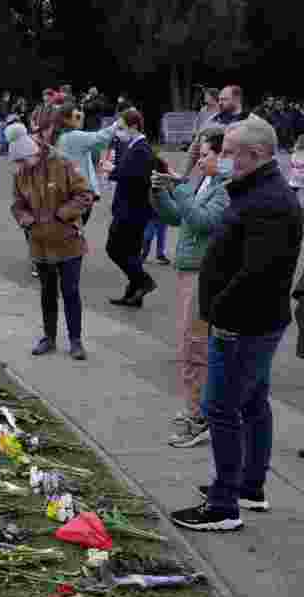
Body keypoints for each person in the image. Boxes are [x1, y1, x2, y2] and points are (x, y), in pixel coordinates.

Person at [171, 116, 304, 532]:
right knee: (251, 403)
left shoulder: (268, 201)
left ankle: (224, 505)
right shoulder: (259, 192)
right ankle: (249, 486)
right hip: (252, 321)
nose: (222, 159)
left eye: (229, 152)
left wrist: (220, 312)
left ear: (256, 155)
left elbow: (256, 273)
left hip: (243, 324)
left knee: (220, 408)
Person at [151, 128, 231, 448]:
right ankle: (195, 410)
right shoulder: (205, 181)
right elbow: (178, 218)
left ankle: (200, 416)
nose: (200, 160)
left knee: (195, 346)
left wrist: (180, 190)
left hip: (203, 274)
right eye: (199, 154)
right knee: (190, 344)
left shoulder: (226, 188)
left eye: (206, 154)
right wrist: (161, 193)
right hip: (189, 271)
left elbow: (202, 221)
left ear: (223, 155)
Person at [9, 123, 93, 360]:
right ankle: (49, 337)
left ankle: (75, 340)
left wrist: (62, 215)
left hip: (68, 241)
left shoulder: (63, 163)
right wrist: (26, 220)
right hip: (40, 243)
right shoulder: (21, 173)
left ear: (33, 152)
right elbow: (17, 205)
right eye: (18, 163)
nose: (21, 167)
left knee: (71, 292)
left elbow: (85, 195)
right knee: (47, 292)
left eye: (23, 161)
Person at [106, 109, 157, 307]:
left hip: (131, 210)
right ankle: (134, 293)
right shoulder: (135, 146)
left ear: (134, 127)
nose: (118, 132)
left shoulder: (141, 149)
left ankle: (144, 281)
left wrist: (113, 171)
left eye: (121, 128)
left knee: (115, 248)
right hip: (131, 208)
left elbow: (135, 177)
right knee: (131, 251)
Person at [52, 104, 120, 225]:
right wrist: (118, 123)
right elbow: (101, 138)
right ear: (66, 120)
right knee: (75, 233)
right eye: (77, 116)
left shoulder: (60, 136)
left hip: (67, 190)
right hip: (78, 193)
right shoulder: (73, 137)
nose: (81, 118)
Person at [289, 134, 304, 199]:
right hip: (301, 173)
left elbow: (292, 163)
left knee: (292, 191)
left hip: (295, 174)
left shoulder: (294, 152)